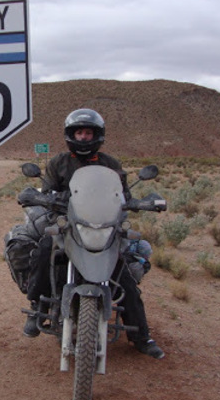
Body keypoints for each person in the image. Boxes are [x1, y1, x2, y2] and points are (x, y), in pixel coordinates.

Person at [23, 108, 165, 360]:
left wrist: (139, 202)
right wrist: (41, 198)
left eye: (89, 132)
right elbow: (46, 193)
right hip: (68, 226)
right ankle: (38, 307)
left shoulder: (110, 164)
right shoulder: (58, 163)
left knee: (123, 273)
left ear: (97, 135)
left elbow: (122, 195)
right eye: (79, 132)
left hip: (103, 227)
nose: (84, 137)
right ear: (71, 135)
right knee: (46, 251)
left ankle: (142, 336)